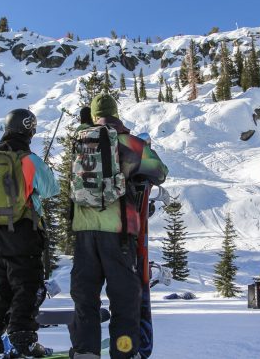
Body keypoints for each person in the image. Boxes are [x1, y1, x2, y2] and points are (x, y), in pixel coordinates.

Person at [69, 94, 168, 359]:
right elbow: (159, 171)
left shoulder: (80, 141)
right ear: (116, 113)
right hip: (119, 234)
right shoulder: (129, 143)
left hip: (83, 232)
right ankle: (124, 353)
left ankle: (85, 353)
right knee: (124, 300)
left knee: (85, 298)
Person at [0, 108, 59, 359]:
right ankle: (21, 339)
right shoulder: (27, 159)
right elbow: (51, 189)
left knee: (3, 288)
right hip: (24, 234)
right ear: (29, 129)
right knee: (29, 288)